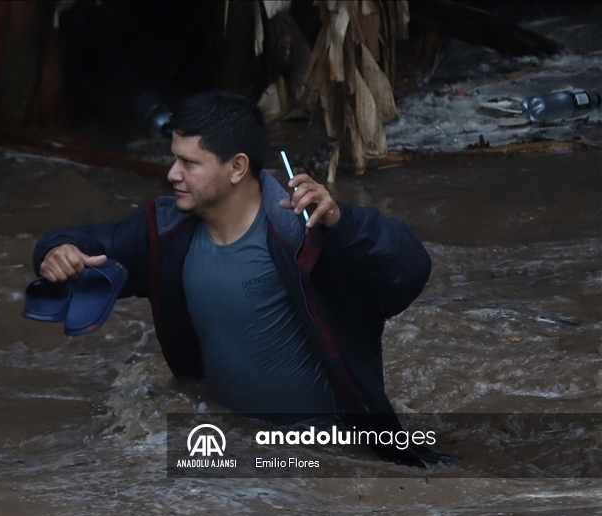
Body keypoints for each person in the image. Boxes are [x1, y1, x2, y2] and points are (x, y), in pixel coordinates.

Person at [32, 91, 449, 467]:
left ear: (236, 168)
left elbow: (409, 267)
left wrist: (345, 222)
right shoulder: (164, 232)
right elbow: (83, 240)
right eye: (174, 158)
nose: (172, 174)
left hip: (330, 448)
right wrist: (55, 252)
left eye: (189, 163)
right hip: (235, 443)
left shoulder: (304, 232)